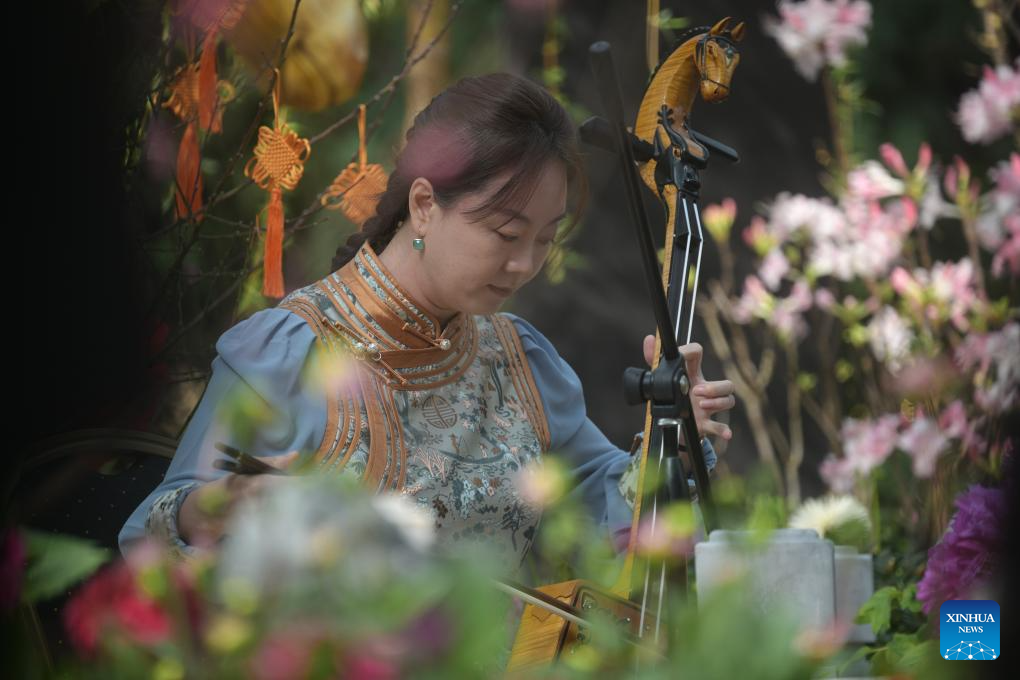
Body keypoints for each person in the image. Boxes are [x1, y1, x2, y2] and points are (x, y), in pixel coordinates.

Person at [118, 72, 736, 572]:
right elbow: (150, 535)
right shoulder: (290, 352)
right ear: (423, 205)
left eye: (545, 240)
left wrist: (670, 443)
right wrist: (228, 505)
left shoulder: (517, 357)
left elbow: (602, 506)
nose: (524, 265)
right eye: (505, 233)